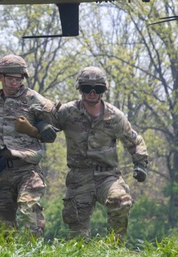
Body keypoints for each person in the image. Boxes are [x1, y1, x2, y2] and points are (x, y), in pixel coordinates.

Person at [30, 66, 148, 241]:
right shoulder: (68, 112)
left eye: (97, 89)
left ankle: (115, 249)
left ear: (103, 90)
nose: (92, 93)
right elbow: (43, 120)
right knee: (77, 229)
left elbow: (134, 140)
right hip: (79, 176)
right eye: (87, 89)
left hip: (107, 175)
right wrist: (42, 126)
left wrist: (140, 163)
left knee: (121, 201)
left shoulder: (114, 116)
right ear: (80, 89)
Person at [0, 54, 55, 237]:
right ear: (1, 77)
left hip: (26, 167)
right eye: (10, 79)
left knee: (29, 208)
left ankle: (34, 255)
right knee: (2, 222)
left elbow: (51, 132)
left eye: (18, 79)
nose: (14, 83)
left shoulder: (35, 100)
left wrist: (36, 128)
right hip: (1, 169)